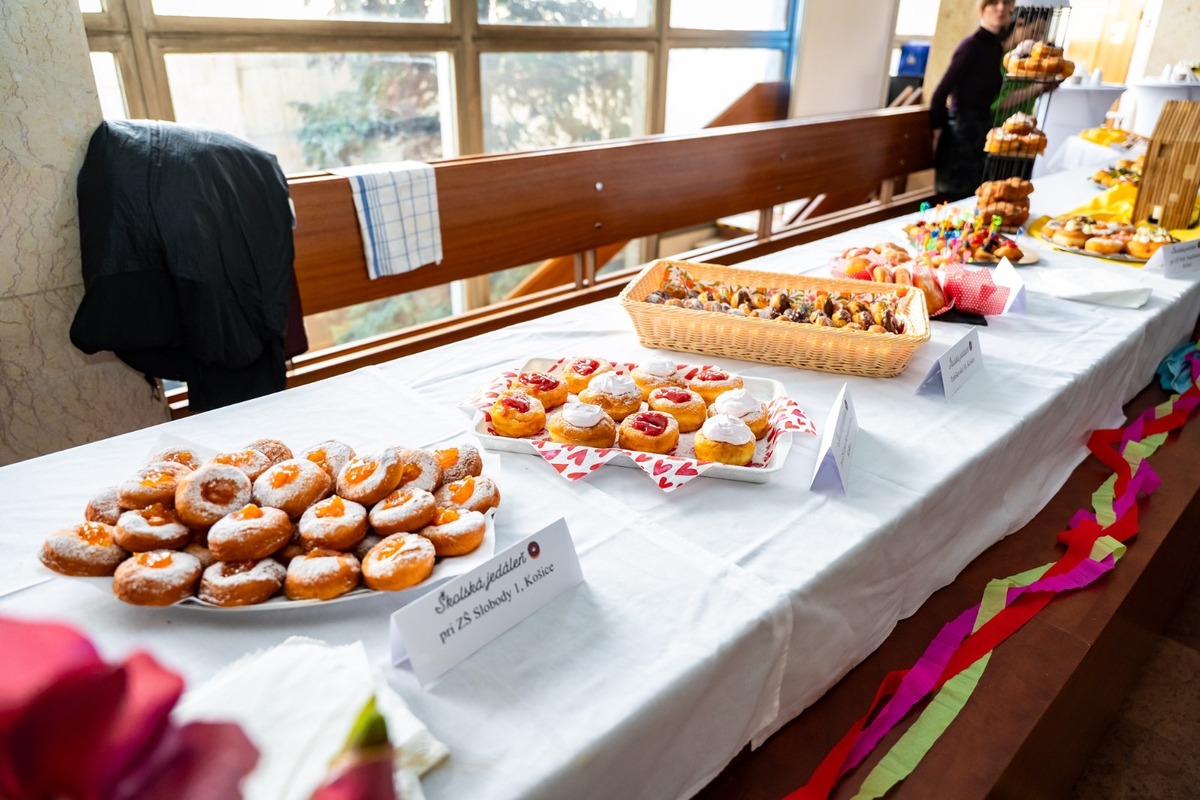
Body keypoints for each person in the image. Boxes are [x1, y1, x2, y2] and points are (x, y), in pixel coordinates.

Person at [929, 0, 1015, 198]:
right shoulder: (971, 46)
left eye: (1006, 2)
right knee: (953, 203)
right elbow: (940, 94)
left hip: (981, 132)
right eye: (994, 3)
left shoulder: (996, 48)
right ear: (982, 8)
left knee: (974, 200)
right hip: (959, 136)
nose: (1001, 8)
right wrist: (936, 134)